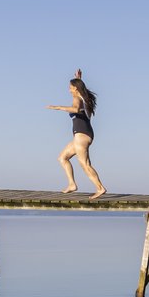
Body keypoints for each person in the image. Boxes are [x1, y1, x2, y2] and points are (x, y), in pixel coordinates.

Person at [47, 69, 107, 199]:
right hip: (82, 134)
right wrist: (79, 79)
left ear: (75, 89)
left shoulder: (77, 99)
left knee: (85, 164)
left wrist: (58, 107)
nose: (69, 90)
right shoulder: (84, 97)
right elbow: (78, 99)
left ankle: (100, 188)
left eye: (70, 88)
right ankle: (72, 184)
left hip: (82, 135)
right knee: (62, 158)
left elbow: (75, 109)